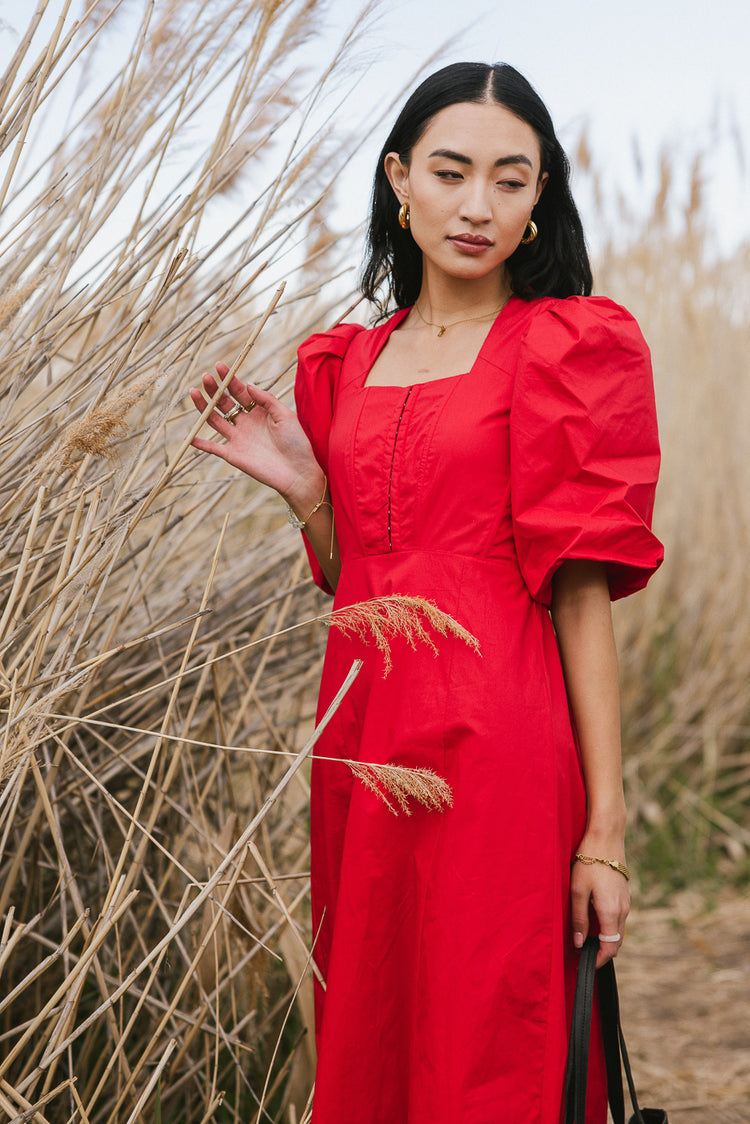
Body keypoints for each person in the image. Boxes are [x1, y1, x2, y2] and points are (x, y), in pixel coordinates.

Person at [189, 62, 663, 1124]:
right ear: (400, 179)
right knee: (375, 1017)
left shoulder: (564, 348)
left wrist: (606, 832)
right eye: (451, 173)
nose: (478, 205)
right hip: (362, 738)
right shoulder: (345, 364)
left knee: (490, 1035)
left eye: (510, 178)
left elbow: (582, 597)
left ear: (542, 196)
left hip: (501, 742)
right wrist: (311, 490)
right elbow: (363, 583)